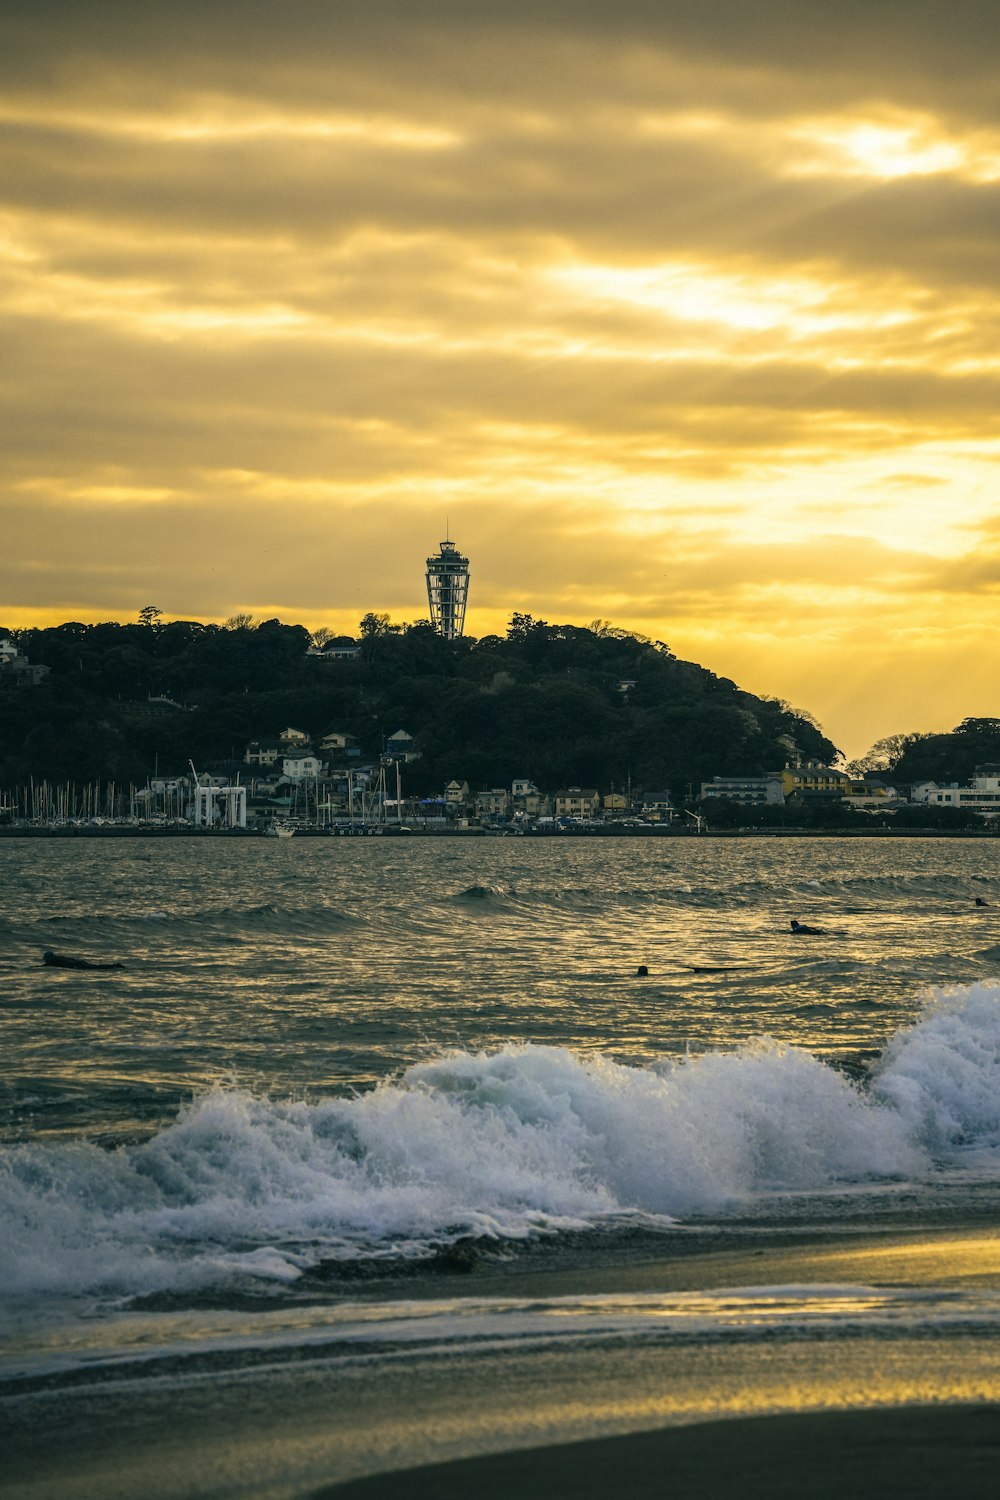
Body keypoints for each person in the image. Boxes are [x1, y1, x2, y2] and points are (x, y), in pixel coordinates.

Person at [43, 950, 124, 971]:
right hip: (80, 963)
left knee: (96, 969)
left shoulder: (53, 962)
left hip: (78, 965)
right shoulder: (59, 958)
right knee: (96, 967)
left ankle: (114, 966)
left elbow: (46, 966)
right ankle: (114, 966)